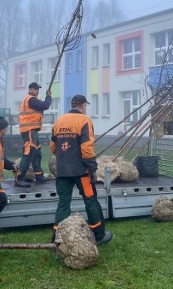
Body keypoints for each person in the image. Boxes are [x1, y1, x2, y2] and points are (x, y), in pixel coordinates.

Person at [51, 94, 112, 245]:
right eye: (86, 106)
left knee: (63, 203)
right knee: (90, 201)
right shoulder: (85, 120)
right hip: (81, 171)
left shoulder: (59, 121)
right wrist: (92, 168)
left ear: (72, 105)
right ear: (83, 105)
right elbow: (86, 148)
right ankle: (98, 235)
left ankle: (57, 237)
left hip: (62, 171)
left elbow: (53, 147)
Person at [16, 81, 52, 187]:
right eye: (35, 89)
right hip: (29, 130)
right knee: (29, 153)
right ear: (30, 89)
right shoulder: (31, 99)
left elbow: (41, 107)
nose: (37, 91)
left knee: (36, 153)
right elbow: (45, 105)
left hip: (32, 130)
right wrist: (48, 97)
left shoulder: (32, 99)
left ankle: (39, 176)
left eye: (38, 89)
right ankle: (19, 178)